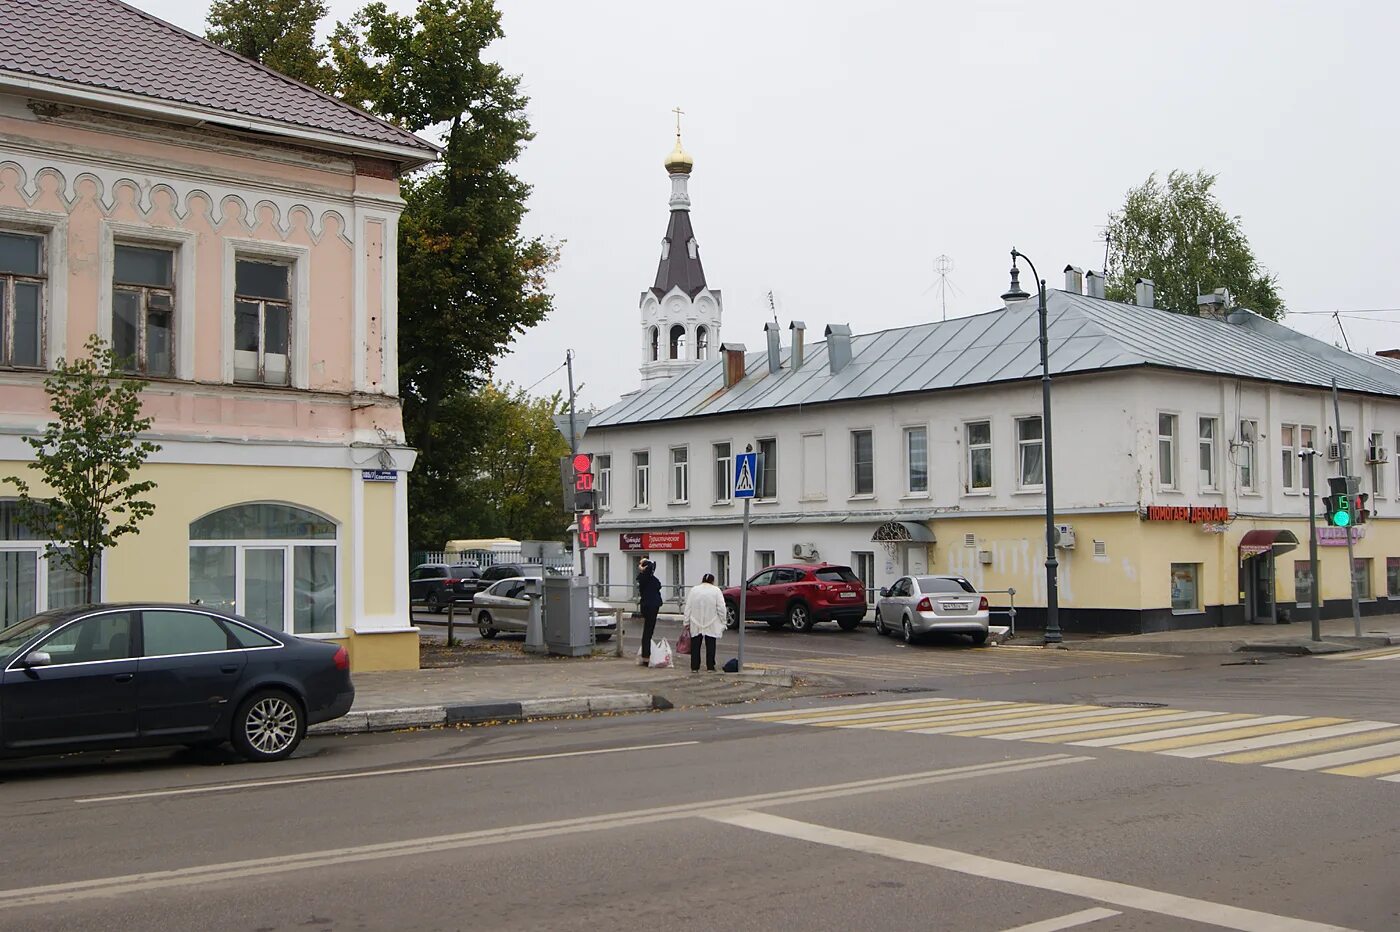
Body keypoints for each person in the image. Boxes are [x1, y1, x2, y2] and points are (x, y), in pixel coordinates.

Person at [683, 573, 726, 672]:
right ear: (712, 581)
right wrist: (723, 621)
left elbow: (688, 607)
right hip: (711, 621)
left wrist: (686, 622)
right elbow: (721, 607)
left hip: (695, 621)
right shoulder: (716, 590)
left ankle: (694, 667)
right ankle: (710, 666)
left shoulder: (694, 590)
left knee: (695, 645)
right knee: (711, 644)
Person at [636, 558, 663, 665]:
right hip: (652, 606)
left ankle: (645, 655)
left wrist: (642, 568)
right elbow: (658, 585)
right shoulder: (652, 580)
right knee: (648, 632)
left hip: (646, 606)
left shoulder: (642, 579)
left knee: (646, 632)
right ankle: (646, 656)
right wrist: (645, 567)